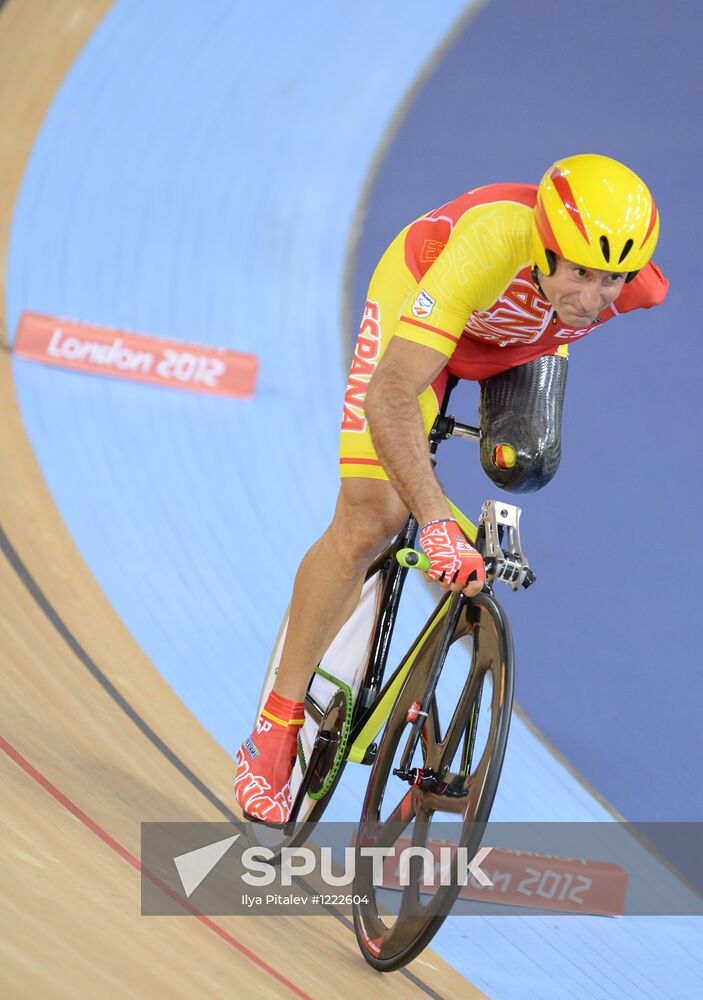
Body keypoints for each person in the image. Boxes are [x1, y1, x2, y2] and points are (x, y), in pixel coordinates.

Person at [234, 153, 668, 824]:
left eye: (611, 280)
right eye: (579, 273)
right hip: (425, 304)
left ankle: (444, 646)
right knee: (370, 516)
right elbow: (389, 396)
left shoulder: (635, 287)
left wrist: (571, 300)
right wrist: (434, 520)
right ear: (544, 246)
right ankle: (276, 723)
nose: (592, 298)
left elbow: (581, 301)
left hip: (514, 341)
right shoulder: (489, 240)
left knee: (523, 464)